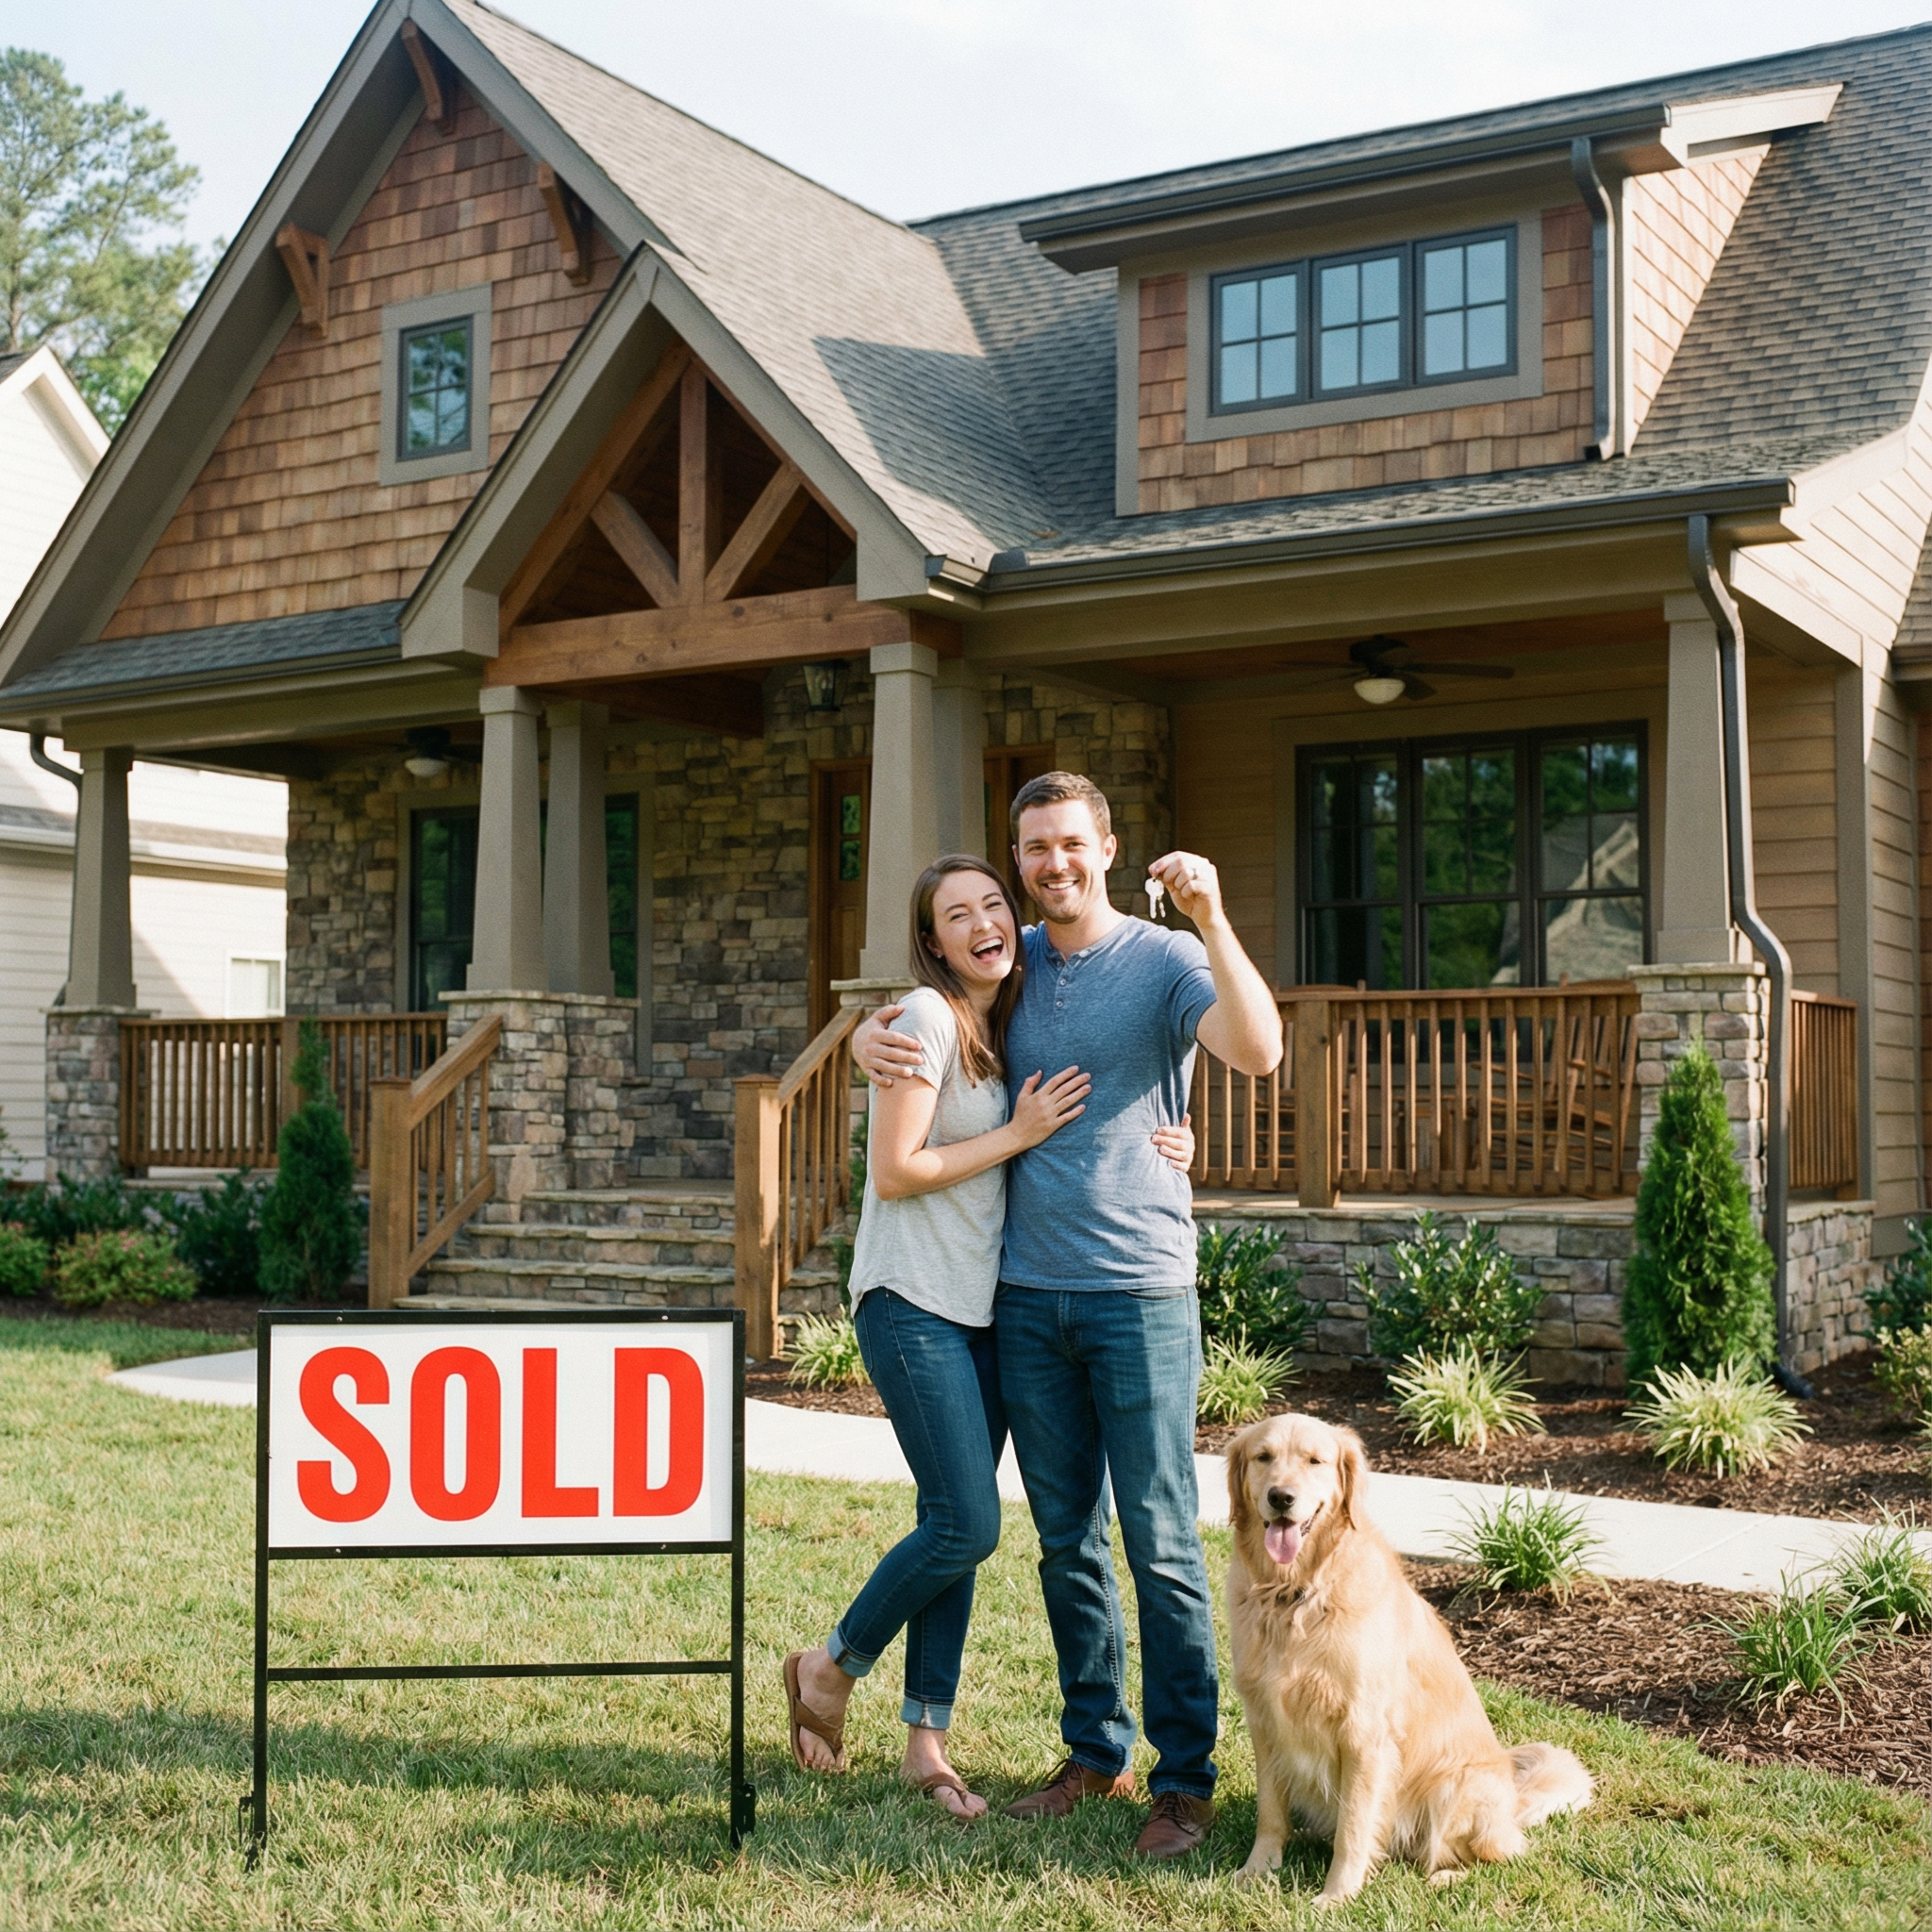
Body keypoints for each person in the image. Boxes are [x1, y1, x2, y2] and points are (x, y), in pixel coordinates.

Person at [854, 773, 1282, 1858]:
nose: (1050, 865)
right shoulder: (1017, 960)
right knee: (1064, 1542)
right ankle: (1095, 1748)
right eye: (1033, 849)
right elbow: (928, 1014)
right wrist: (868, 1039)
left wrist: (1213, 917)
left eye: (1070, 844)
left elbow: (1257, 1049)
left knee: (1161, 1543)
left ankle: (1184, 1781)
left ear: (1106, 847)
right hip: (1025, 1298)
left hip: (1138, 1290)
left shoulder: (1166, 955)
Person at [784, 853, 1196, 1821]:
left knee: (951, 1525)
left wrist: (1176, 1136)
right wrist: (1014, 1130)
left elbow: (1142, 1058)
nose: (981, 922)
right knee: (966, 1521)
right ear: (930, 941)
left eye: (990, 905)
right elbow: (895, 1168)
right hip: (912, 1300)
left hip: (986, 1303)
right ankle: (828, 1665)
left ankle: (925, 1743)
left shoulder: (1006, 1013)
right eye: (954, 913)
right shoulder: (927, 1016)